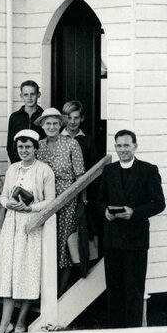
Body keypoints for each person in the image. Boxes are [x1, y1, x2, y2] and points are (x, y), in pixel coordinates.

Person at [96, 130, 166, 328]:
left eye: (126, 145)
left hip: (136, 240)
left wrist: (134, 212)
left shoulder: (148, 170)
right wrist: (106, 212)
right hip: (112, 239)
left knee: (134, 289)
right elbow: (99, 201)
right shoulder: (109, 171)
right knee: (114, 288)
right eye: (119, 146)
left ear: (135, 146)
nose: (122, 150)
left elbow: (159, 203)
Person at [0, 129, 56, 333]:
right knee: (9, 273)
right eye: (20, 147)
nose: (24, 150)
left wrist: (30, 208)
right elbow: (3, 196)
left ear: (36, 148)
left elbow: (51, 200)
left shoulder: (44, 171)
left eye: (28, 147)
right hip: (12, 224)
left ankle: (20, 321)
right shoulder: (13, 170)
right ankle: (4, 325)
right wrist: (9, 204)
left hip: (31, 226)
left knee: (27, 273)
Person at [35, 106, 86, 295]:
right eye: (48, 123)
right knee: (46, 242)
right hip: (43, 201)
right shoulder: (38, 146)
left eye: (55, 123)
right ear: (42, 126)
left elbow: (80, 176)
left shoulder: (71, 144)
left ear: (61, 124)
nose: (51, 126)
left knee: (64, 243)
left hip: (67, 200)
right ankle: (43, 290)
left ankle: (59, 291)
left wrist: (81, 200)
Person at [63, 100, 99, 277]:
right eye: (69, 117)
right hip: (60, 193)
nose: (72, 122)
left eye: (76, 118)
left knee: (79, 232)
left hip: (81, 194)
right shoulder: (58, 138)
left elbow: (93, 169)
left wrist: (85, 195)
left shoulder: (87, 140)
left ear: (82, 118)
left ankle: (80, 270)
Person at [5, 80, 45, 163]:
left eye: (32, 94)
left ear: (38, 95)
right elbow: (10, 145)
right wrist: (17, 164)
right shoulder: (14, 117)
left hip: (40, 164)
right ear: (21, 96)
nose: (29, 98)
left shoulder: (44, 116)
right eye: (26, 94)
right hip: (19, 164)